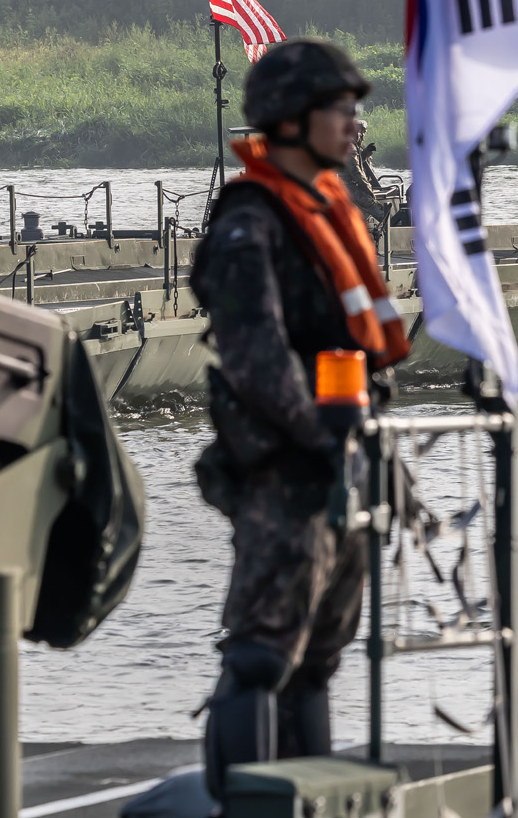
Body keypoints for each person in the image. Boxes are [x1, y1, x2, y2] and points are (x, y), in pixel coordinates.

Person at [187, 39, 411, 796]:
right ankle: (245, 803)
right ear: (289, 120)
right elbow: (257, 357)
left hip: (342, 459)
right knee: (261, 654)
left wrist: (367, 451)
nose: (354, 125)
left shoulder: (323, 208)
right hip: (286, 464)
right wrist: (321, 437)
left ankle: (307, 801)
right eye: (339, 110)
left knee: (317, 659)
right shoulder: (254, 222)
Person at [339, 119, 387, 235]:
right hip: (347, 187)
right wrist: (368, 190)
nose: (363, 137)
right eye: (362, 133)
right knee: (370, 203)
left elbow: (355, 162)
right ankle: (390, 229)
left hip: (347, 186)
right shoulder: (349, 147)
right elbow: (356, 173)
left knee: (366, 205)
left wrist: (365, 153)